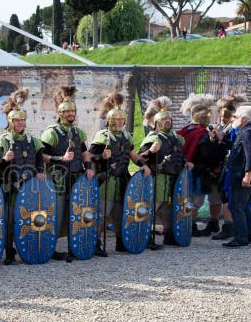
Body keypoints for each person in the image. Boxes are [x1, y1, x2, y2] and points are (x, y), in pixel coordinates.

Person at [86, 92, 150, 253]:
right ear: (110, 120)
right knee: (101, 214)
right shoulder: (102, 136)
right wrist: (102, 156)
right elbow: (89, 156)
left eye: (122, 119)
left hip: (122, 179)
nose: (120, 122)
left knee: (121, 213)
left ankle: (122, 242)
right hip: (106, 181)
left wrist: (142, 165)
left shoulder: (126, 136)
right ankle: (95, 244)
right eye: (117, 119)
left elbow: (132, 154)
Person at [0, 88, 46, 265]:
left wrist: (41, 171)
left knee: (28, 217)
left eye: (22, 120)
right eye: (17, 120)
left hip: (28, 187)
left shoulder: (32, 141)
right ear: (10, 121)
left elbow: (39, 159)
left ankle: (27, 249)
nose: (20, 123)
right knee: (9, 220)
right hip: (8, 187)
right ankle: (9, 252)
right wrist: (4, 159)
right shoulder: (3, 141)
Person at [40, 85, 93, 260]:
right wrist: (60, 159)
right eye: (67, 112)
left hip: (77, 177)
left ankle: (75, 247)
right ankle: (51, 249)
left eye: (73, 112)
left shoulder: (78, 132)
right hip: (58, 179)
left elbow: (84, 151)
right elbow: (42, 156)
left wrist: (89, 167)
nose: (71, 114)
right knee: (57, 213)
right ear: (61, 113)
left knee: (77, 213)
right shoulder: (52, 132)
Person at [138, 97, 193, 247]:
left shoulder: (176, 138)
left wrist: (185, 162)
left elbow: (179, 155)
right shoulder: (153, 137)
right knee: (153, 206)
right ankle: (146, 238)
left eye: (169, 119)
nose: (167, 122)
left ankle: (169, 236)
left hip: (174, 178)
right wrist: (150, 150)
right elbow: (140, 157)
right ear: (157, 123)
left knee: (168, 209)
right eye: (164, 120)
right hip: (159, 177)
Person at [177, 93, 226, 237]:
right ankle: (189, 226)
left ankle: (204, 224)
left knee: (195, 199)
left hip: (190, 170)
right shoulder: (202, 133)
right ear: (204, 117)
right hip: (198, 171)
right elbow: (206, 154)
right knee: (195, 200)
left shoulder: (184, 130)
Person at [223, 105, 251, 248]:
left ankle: (241, 238)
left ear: (244, 118)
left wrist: (248, 175)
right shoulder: (248, 131)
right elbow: (239, 149)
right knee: (244, 205)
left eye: (236, 116)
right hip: (249, 175)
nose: (233, 119)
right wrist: (220, 139)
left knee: (236, 206)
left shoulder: (248, 132)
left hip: (243, 176)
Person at [212, 92, 247, 241]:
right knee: (224, 195)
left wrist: (220, 140)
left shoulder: (233, 129)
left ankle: (229, 227)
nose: (223, 119)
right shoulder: (228, 127)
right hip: (227, 164)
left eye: (225, 117)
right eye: (221, 116)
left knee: (226, 195)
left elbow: (231, 147)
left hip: (229, 165)